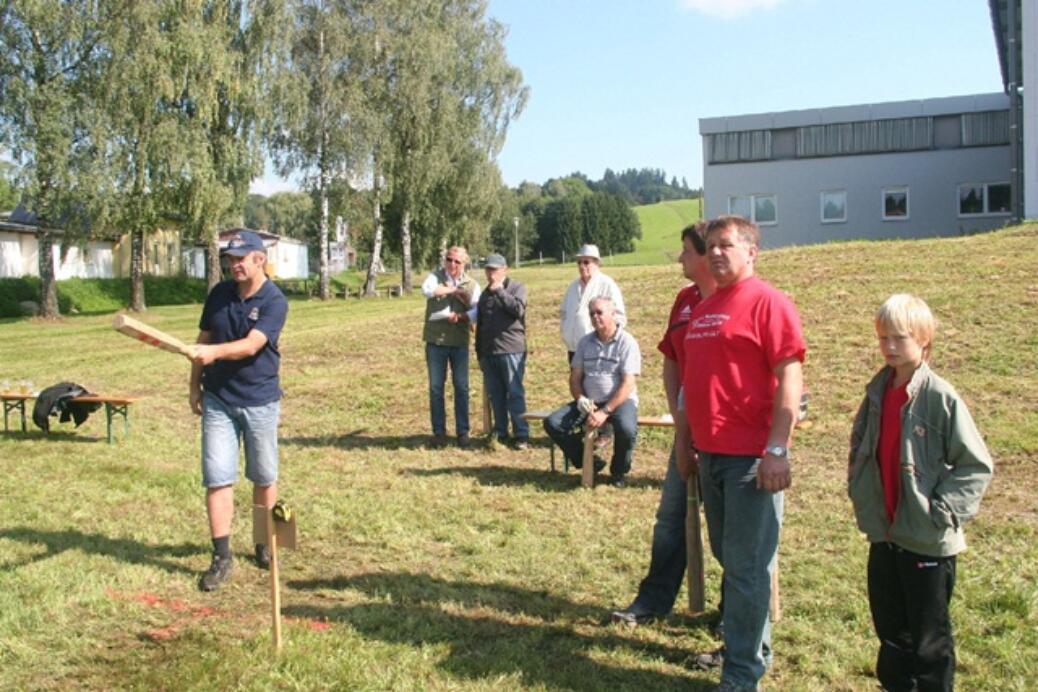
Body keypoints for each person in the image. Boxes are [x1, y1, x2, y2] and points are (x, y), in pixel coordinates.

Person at [683, 215, 805, 689]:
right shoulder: (707, 306)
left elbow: (790, 376)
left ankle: (741, 674)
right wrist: (691, 445)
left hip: (751, 461)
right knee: (735, 563)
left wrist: (778, 448)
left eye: (726, 245)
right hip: (711, 456)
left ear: (751, 252)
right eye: (710, 245)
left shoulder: (769, 302)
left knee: (747, 569)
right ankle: (752, 649)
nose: (715, 252)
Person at [848, 294, 992, 692]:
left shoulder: (940, 397)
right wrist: (860, 491)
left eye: (900, 338)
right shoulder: (876, 391)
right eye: (883, 338)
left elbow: (976, 466)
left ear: (924, 340)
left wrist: (941, 512)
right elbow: (861, 447)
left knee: (929, 640)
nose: (890, 347)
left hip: (927, 541)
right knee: (891, 630)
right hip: (885, 534)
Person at [611, 222, 717, 625]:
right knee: (670, 518)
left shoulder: (733, 301)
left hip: (726, 439)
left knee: (729, 536)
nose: (679, 258)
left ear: (707, 255)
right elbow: (671, 361)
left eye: (686, 250)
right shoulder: (684, 301)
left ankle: (733, 616)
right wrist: (679, 422)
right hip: (686, 430)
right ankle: (653, 602)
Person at [189, 230, 288, 592]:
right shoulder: (218, 294)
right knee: (217, 477)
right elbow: (202, 342)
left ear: (259, 259)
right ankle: (221, 556)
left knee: (263, 476)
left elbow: (251, 346)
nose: (234, 265)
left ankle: (264, 544)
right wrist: (194, 385)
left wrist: (213, 354)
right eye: (230, 259)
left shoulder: (275, 300)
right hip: (218, 399)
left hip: (260, 400)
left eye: (240, 259)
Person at [544, 296, 640, 487]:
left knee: (627, 429)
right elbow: (575, 377)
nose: (595, 317)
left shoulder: (627, 342)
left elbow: (629, 383)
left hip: (620, 401)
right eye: (591, 313)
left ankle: (618, 472)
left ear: (613, 314)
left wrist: (605, 412)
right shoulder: (585, 342)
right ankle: (588, 461)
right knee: (553, 423)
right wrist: (580, 398)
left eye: (599, 312)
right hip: (590, 402)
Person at [421, 246, 480, 448]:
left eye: (457, 261)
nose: (452, 264)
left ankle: (463, 432)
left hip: (459, 342)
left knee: (461, 387)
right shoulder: (435, 276)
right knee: (436, 388)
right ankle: (439, 433)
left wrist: (462, 316)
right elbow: (427, 290)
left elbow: (477, 311)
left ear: (465, 264)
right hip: (436, 341)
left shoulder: (472, 284)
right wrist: (453, 290)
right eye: (449, 259)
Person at [475, 253, 529, 448]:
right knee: (496, 394)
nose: (491, 274)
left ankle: (521, 434)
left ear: (505, 269)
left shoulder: (517, 288)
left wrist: (499, 291)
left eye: (495, 270)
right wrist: (480, 354)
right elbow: (480, 327)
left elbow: (517, 310)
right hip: (490, 352)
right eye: (488, 270)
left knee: (514, 393)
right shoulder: (484, 294)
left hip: (511, 350)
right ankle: (501, 431)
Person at [559, 244, 626, 364]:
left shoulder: (607, 284)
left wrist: (606, 341)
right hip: (574, 349)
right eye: (579, 262)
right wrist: (565, 331)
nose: (582, 266)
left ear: (596, 263)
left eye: (586, 262)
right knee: (576, 382)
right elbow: (563, 313)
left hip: (597, 349)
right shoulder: (573, 287)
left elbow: (619, 317)